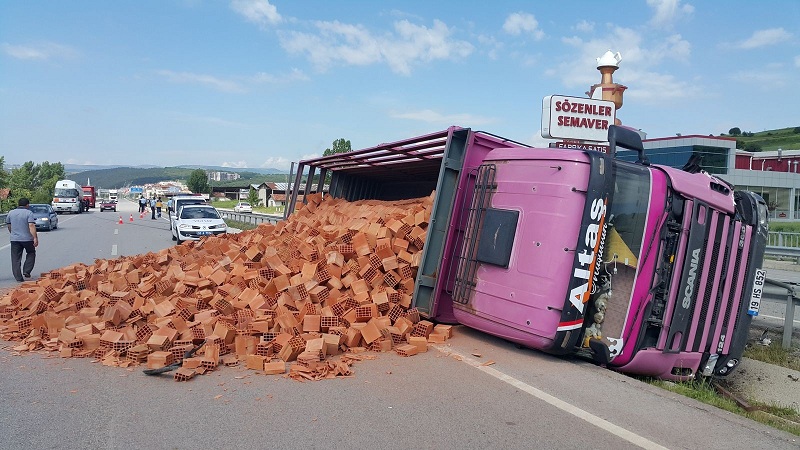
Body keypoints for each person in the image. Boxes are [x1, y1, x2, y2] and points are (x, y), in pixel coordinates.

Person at [6, 197, 38, 282]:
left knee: (15, 258)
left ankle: (18, 278)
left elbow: (9, 226)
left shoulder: (11, 213)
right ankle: (26, 271)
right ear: (27, 205)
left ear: (18, 204)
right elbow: (31, 225)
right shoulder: (28, 213)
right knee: (31, 252)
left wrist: (13, 234)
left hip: (15, 239)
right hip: (27, 239)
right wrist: (35, 238)